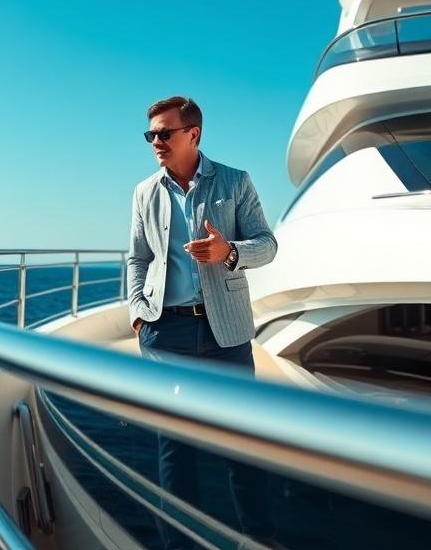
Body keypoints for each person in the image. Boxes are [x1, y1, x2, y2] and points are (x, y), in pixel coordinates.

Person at [126, 95, 279, 549]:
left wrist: (229, 252)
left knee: (241, 441)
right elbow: (138, 257)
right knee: (175, 444)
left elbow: (267, 244)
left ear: (193, 134)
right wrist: (138, 311)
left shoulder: (235, 181)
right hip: (164, 332)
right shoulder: (143, 192)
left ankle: (259, 539)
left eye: (164, 133)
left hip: (225, 333)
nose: (156, 141)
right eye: (151, 134)